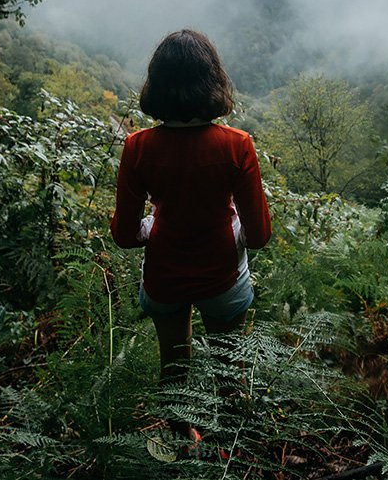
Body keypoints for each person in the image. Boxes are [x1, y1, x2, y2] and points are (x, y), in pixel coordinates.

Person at [111, 29, 271, 443]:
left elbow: (125, 235)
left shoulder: (138, 147)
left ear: (156, 85)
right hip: (223, 278)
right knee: (227, 364)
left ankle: (184, 439)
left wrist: (151, 225)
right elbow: (259, 237)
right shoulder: (238, 145)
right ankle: (232, 445)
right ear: (213, 81)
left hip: (165, 279)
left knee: (174, 365)